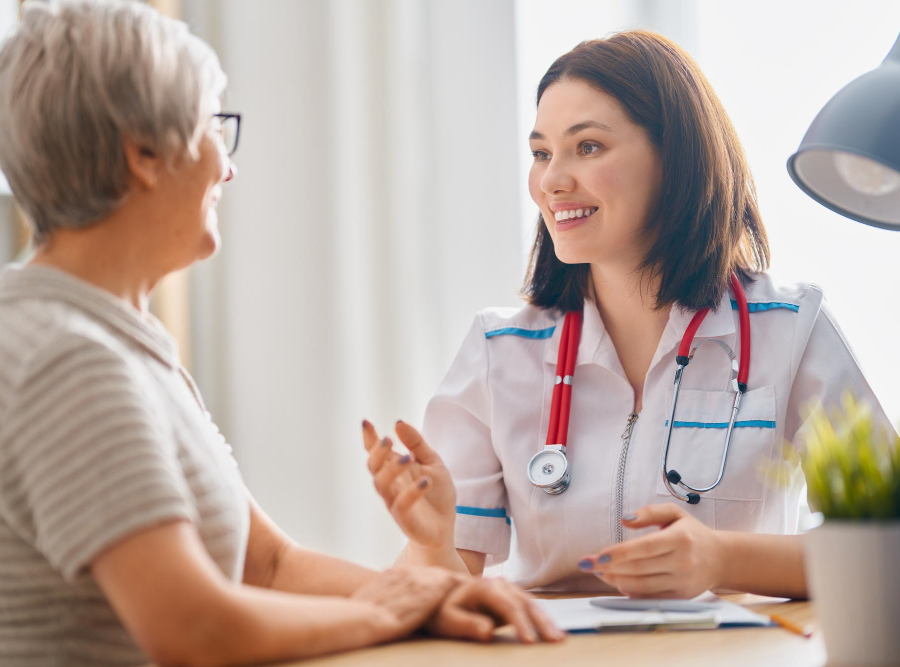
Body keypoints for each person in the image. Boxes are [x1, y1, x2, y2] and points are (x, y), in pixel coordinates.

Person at [0, 2, 562, 665]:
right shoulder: (66, 357)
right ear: (144, 152)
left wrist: (431, 597)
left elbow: (265, 563)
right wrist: (388, 610)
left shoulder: (117, 340)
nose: (228, 168)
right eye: (214, 127)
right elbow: (192, 629)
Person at [363, 30, 896, 598]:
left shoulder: (790, 329)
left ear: (675, 157)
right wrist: (428, 542)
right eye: (541, 153)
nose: (551, 181)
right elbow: (444, 581)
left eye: (587, 147)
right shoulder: (500, 353)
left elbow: (886, 549)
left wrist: (723, 559)